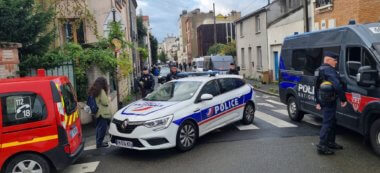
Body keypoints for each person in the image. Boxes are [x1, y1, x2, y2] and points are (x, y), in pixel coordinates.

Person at [315, 51, 348, 155]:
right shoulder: (329, 70)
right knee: (327, 123)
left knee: (332, 121)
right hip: (329, 100)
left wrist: (318, 101)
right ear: (328, 60)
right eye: (335, 60)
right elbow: (337, 86)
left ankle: (330, 142)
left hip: (324, 99)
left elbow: (315, 87)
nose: (336, 62)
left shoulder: (319, 70)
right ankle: (322, 146)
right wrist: (343, 99)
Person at [88, 77, 112, 149]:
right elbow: (105, 102)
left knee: (99, 128)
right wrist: (109, 98)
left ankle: (98, 142)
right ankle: (99, 143)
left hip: (97, 113)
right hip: (102, 113)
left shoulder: (93, 90)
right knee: (102, 128)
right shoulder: (101, 91)